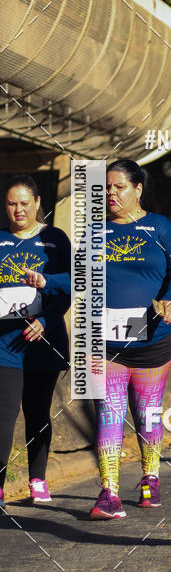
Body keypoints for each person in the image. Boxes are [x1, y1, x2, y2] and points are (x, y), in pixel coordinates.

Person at [26, 160, 171, 519]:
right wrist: (46, 282)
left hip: (153, 340)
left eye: (119, 187)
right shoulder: (94, 233)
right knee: (109, 415)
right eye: (106, 188)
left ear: (138, 189)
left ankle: (150, 478)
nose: (111, 194)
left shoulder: (159, 227)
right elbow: (77, 281)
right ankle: (108, 493)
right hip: (106, 343)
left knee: (147, 416)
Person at [0, 175, 70, 508]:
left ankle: (37, 479)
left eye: (25, 203)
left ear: (38, 203)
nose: (18, 210)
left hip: (44, 341)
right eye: (12, 204)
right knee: (4, 413)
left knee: (37, 411)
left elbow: (71, 286)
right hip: (5, 345)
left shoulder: (55, 239)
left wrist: (47, 319)